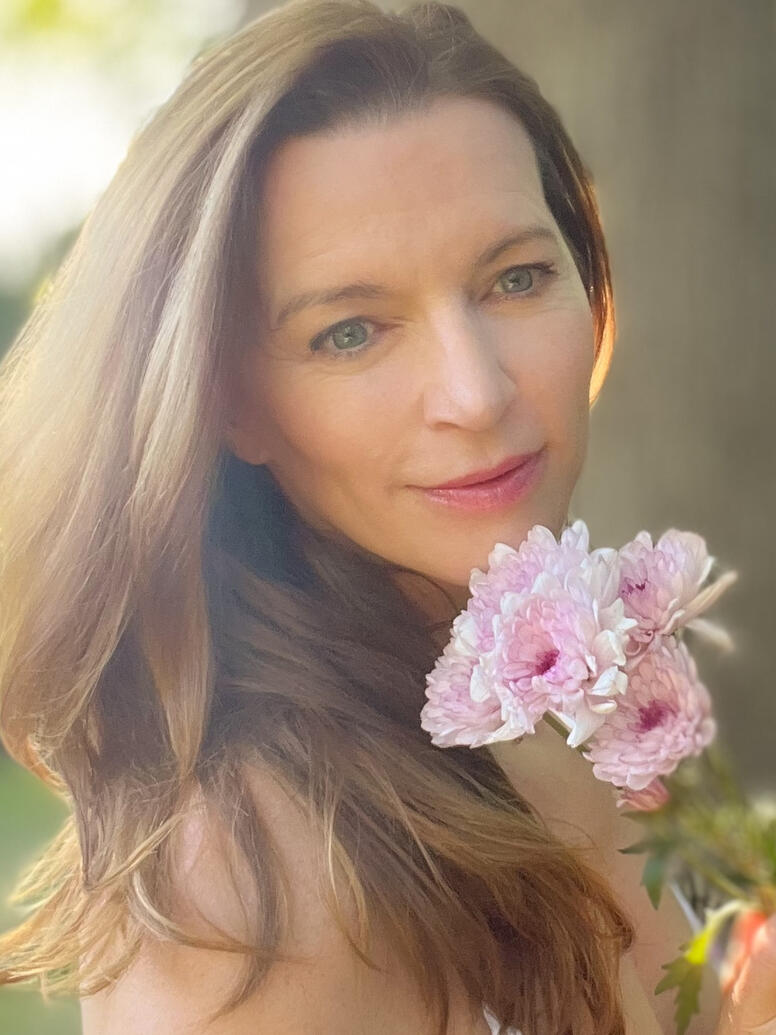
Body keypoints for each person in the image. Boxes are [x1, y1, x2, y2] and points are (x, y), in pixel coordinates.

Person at [0, 0, 772, 1032]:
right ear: (231, 402)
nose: (476, 392)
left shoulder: (562, 721)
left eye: (514, 278)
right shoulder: (244, 882)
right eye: (351, 331)